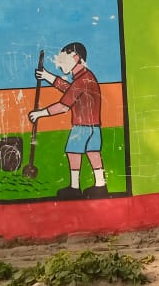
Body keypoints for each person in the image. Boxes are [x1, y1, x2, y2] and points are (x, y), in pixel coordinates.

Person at [27, 41, 108, 199]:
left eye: (63, 60)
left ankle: (75, 187)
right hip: (94, 126)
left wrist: (40, 113)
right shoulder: (86, 77)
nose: (60, 64)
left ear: (76, 57)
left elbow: (64, 105)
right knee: (93, 153)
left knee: (73, 153)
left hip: (82, 126)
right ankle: (100, 185)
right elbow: (69, 89)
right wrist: (48, 76)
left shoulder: (82, 80)